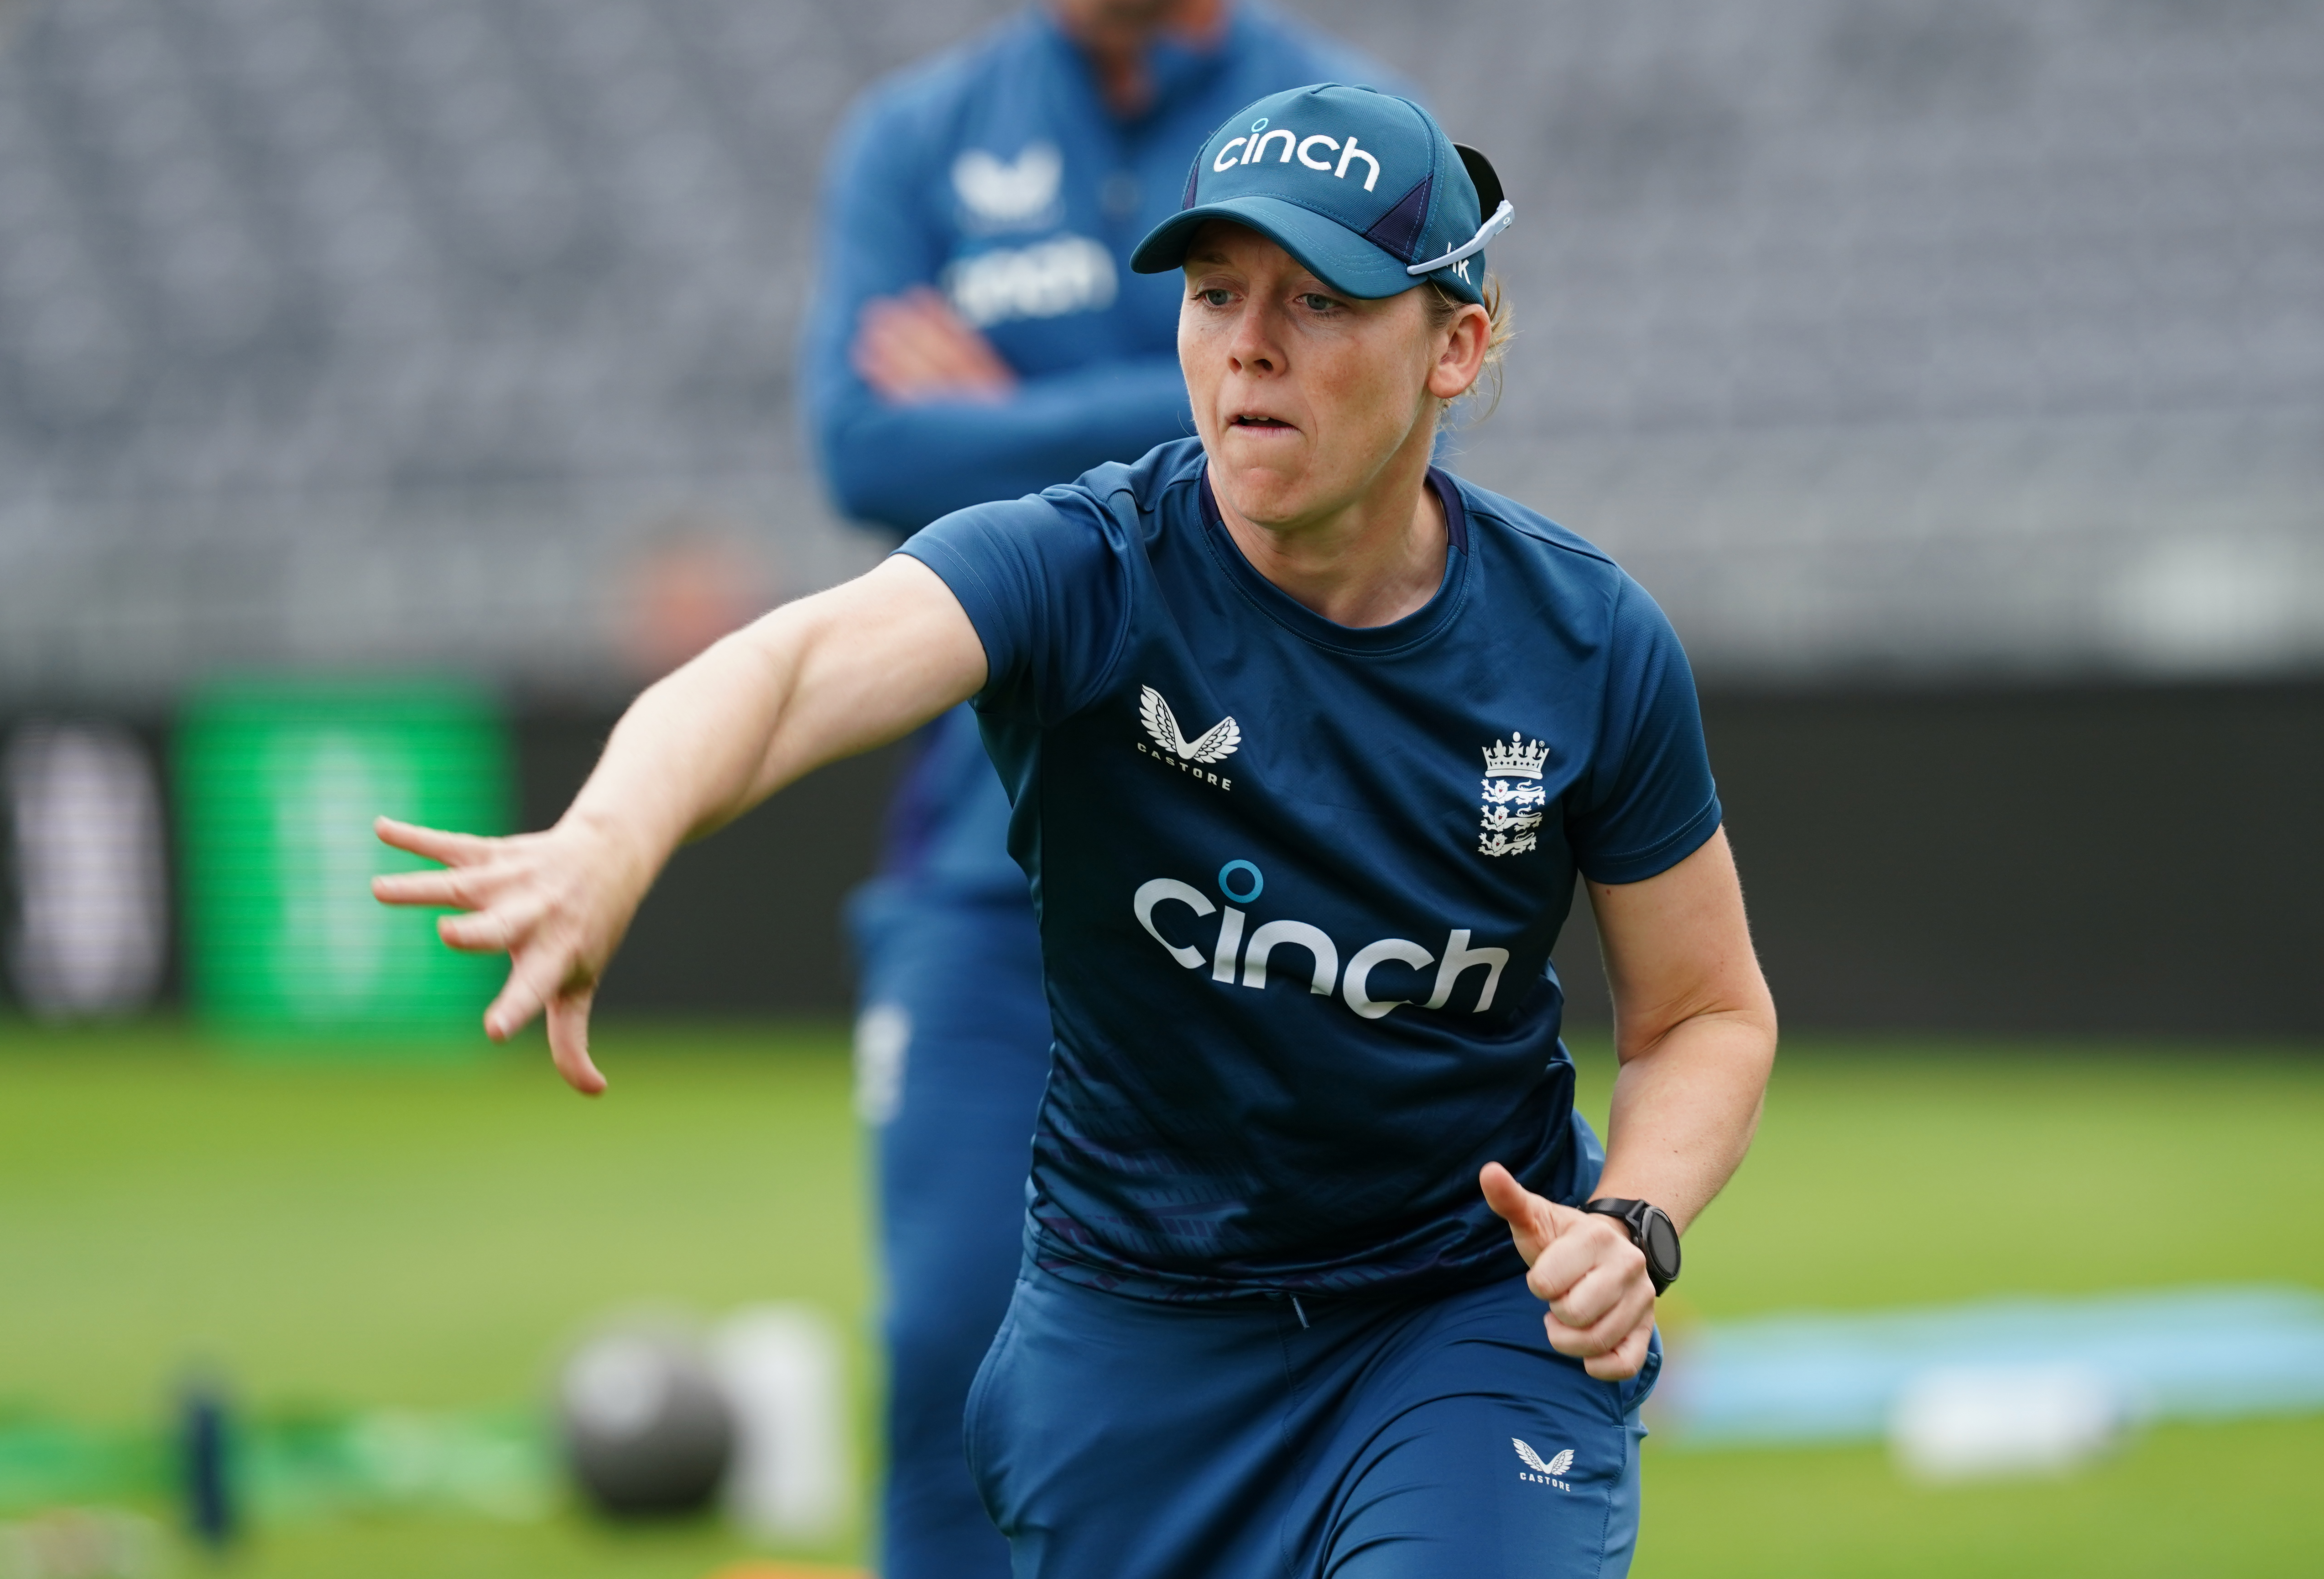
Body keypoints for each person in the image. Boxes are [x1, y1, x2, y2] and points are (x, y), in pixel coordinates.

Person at [378, 84, 1777, 1578]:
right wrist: (611, 835)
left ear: (1459, 346)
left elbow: (1703, 1009)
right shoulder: (1083, 564)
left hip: (1457, 1314)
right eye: (1217, 292)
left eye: (1321, 299)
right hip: (1138, 1346)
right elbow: (785, 670)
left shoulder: (1586, 641)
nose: (1250, 343)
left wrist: (1634, 1221)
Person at [801, 5, 1396, 1573]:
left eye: (1265, 310)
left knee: (1282, 1374)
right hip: (994, 874)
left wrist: (990, 419)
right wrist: (1196, 396)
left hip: (1276, 862)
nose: (1238, 355)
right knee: (947, 1349)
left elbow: (1377, 425)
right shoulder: (919, 136)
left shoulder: (1332, 116)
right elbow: (863, 447)